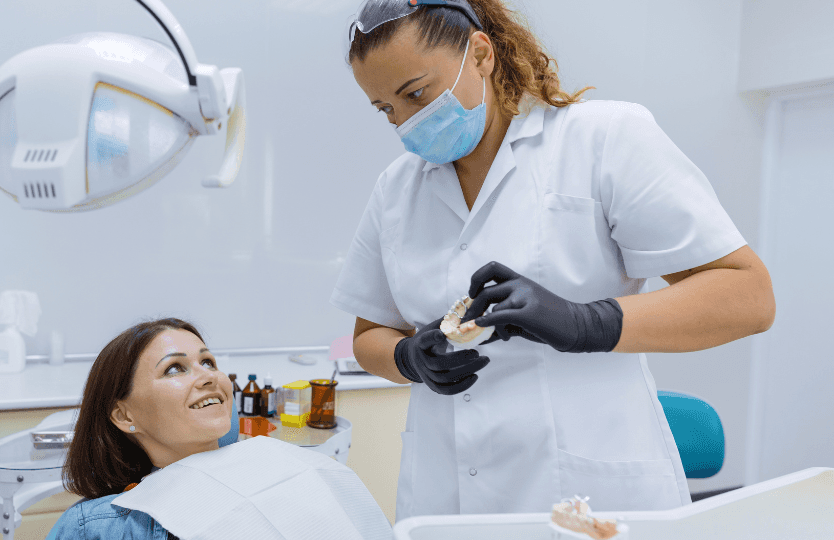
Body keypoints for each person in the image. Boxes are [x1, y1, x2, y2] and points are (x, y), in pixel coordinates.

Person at [331, 0, 775, 520]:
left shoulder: (603, 139)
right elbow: (367, 337)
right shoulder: (396, 190)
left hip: (589, 491)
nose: (405, 123)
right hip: (447, 495)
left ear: (480, 55)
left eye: (416, 94)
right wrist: (410, 358)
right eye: (386, 109)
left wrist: (585, 322)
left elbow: (747, 296)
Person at [52, 318, 238, 540]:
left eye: (208, 362)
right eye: (174, 369)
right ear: (124, 415)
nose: (209, 376)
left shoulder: (279, 470)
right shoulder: (92, 529)